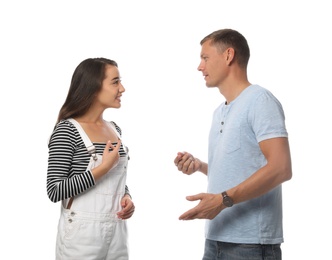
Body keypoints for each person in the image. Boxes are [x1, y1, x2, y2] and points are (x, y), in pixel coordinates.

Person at [174, 29, 292, 260]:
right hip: (215, 240)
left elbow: (281, 168)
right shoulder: (220, 110)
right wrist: (200, 166)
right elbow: (244, 167)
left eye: (205, 58)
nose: (200, 66)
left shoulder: (260, 101)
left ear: (228, 56)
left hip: (250, 246)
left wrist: (223, 199)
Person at [47, 57, 135, 260]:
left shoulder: (115, 129)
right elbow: (54, 190)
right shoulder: (67, 131)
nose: (122, 88)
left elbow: (116, 177)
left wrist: (126, 197)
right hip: (81, 236)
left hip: (118, 232)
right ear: (93, 87)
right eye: (115, 82)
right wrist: (102, 168)